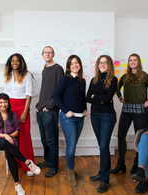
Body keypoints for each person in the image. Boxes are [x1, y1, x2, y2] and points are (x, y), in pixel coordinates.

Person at [0, 93, 41, 195]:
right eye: (0, 102)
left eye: (5, 102)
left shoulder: (13, 115)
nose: (3, 104)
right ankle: (27, 162)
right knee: (4, 142)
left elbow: (17, 131)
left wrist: (10, 137)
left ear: (8, 103)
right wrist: (6, 136)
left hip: (10, 142)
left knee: (10, 153)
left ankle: (17, 184)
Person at [111, 53, 148, 174]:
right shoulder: (125, 76)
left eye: (135, 60)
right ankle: (121, 163)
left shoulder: (145, 76)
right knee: (120, 135)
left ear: (138, 62)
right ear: (128, 63)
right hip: (127, 108)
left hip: (140, 109)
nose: (132, 62)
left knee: (139, 137)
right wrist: (120, 97)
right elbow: (116, 88)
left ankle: (137, 162)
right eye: (130, 60)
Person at [53, 54, 87, 187]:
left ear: (80, 65)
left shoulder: (82, 81)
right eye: (72, 64)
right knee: (71, 146)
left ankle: (69, 169)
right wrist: (66, 111)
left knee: (73, 145)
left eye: (76, 63)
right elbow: (56, 96)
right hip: (68, 118)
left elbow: (82, 98)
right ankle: (71, 172)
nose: (74, 65)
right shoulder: (65, 79)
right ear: (69, 66)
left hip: (80, 117)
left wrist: (84, 109)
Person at [86, 55, 118, 193]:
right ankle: (102, 172)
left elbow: (109, 97)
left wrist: (95, 97)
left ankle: (105, 180)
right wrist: (101, 99)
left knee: (104, 147)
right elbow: (87, 98)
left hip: (107, 116)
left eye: (105, 62)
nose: (102, 64)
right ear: (98, 65)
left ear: (109, 65)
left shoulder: (113, 80)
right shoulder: (94, 80)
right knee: (102, 146)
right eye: (100, 62)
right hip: (95, 116)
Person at [4, 53, 35, 176]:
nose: (14, 63)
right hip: (10, 107)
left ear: (21, 62)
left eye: (17, 61)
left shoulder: (27, 75)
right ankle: (15, 163)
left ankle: (28, 165)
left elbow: (29, 95)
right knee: (12, 137)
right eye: (12, 61)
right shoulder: (8, 75)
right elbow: (5, 94)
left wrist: (24, 112)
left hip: (22, 106)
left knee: (25, 136)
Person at [36, 46, 64, 177]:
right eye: (45, 52)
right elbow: (45, 90)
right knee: (44, 138)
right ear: (42, 55)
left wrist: (50, 106)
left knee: (51, 139)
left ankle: (53, 166)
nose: (47, 54)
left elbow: (60, 91)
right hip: (41, 109)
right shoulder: (45, 69)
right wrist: (38, 105)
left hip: (50, 110)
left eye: (49, 52)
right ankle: (48, 161)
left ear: (53, 54)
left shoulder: (58, 69)